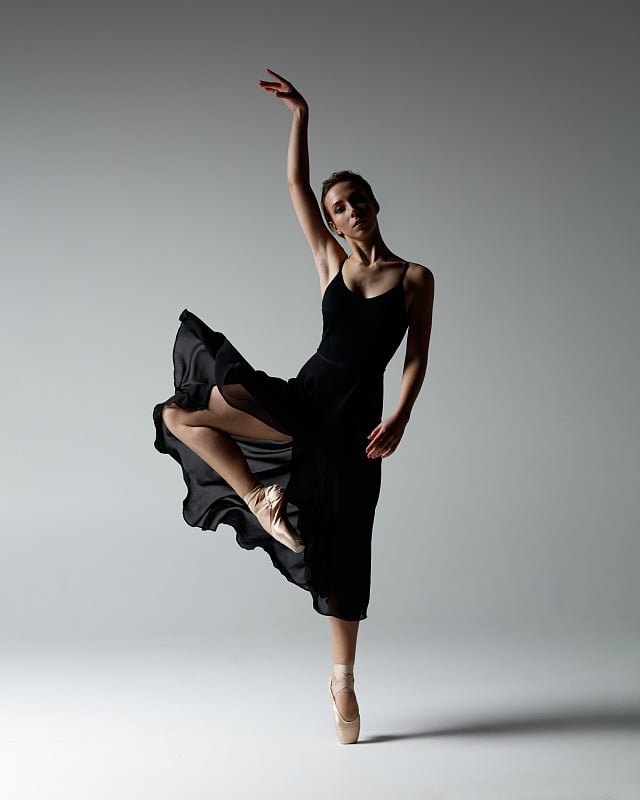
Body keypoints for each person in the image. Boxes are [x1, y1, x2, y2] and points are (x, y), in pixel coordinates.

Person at [153, 69, 434, 744]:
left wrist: (400, 415)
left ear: (373, 204)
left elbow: (419, 355)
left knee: (345, 552)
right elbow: (294, 188)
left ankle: (342, 684)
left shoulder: (415, 278)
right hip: (306, 399)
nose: (347, 210)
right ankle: (257, 497)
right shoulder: (330, 264)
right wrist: (300, 115)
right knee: (180, 412)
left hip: (358, 428)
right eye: (338, 206)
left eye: (356, 199)